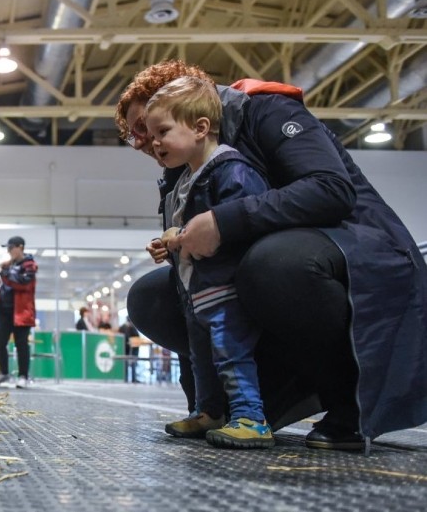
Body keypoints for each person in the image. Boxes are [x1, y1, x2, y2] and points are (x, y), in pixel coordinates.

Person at [116, 59, 427, 451]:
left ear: (192, 113)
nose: (144, 141)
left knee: (271, 266)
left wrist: (223, 222)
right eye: (133, 135)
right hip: (267, 267)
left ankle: (349, 401)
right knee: (152, 295)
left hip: (356, 250)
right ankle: (243, 402)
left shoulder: (266, 110)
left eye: (147, 126)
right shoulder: (184, 168)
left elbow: (331, 189)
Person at [145, 76, 273, 449]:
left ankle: (251, 417)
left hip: (224, 289)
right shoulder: (185, 180)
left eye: (162, 132)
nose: (154, 143)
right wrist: (169, 244)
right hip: (197, 291)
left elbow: (237, 225)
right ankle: (209, 411)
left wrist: (182, 237)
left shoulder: (231, 170)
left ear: (201, 128)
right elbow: (191, 231)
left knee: (231, 354)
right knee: (201, 357)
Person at [0, 236, 38, 389]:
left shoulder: (30, 266)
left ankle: (23, 375)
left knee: (21, 344)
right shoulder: (6, 265)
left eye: (11, 248)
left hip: (21, 312)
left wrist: (2, 273)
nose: (9, 251)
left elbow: (22, 283)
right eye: (8, 248)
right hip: (3, 310)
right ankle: (3, 373)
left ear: (20, 247)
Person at [118, 317, 141, 384]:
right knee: (130, 363)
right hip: (129, 348)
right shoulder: (130, 327)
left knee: (128, 363)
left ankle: (127, 378)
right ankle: (130, 378)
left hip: (127, 348)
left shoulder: (124, 327)